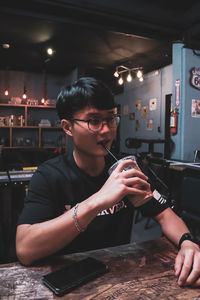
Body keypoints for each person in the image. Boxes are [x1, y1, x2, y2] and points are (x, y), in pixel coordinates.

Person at [16, 77, 200, 287]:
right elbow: (25, 249)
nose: (106, 130)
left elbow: (165, 215)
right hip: (68, 281)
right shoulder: (49, 175)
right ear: (68, 127)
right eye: (94, 121)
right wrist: (97, 202)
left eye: (111, 119)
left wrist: (187, 242)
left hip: (120, 278)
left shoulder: (128, 168)